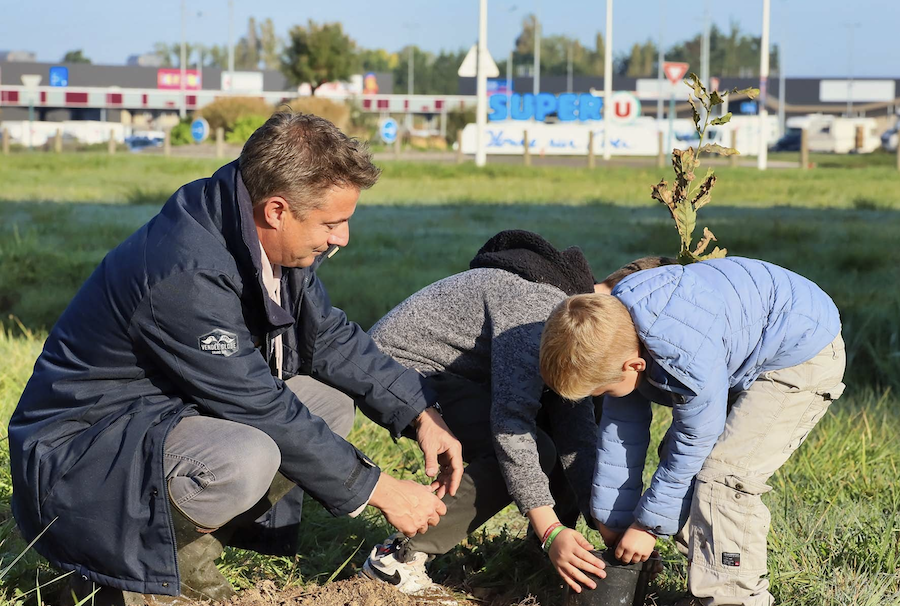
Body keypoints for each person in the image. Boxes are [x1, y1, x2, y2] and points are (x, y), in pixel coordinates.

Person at [7, 112, 462, 604]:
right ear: (276, 211)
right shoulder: (186, 273)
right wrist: (379, 489)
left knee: (329, 404)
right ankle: (111, 574)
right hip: (83, 454)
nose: (342, 238)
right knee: (250, 454)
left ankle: (187, 560)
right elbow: (259, 406)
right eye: (332, 223)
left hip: (158, 416)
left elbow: (326, 338)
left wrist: (420, 412)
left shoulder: (261, 238)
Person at [360, 231, 674, 595]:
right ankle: (396, 558)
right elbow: (511, 428)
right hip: (396, 371)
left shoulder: (578, 324)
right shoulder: (542, 317)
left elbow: (577, 435)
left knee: (566, 425)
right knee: (531, 449)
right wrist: (551, 531)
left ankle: (539, 559)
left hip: (455, 376)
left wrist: (609, 523)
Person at [539, 257, 846, 606]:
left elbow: (694, 439)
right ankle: (708, 580)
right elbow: (620, 435)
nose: (605, 399)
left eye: (603, 391)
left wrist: (648, 528)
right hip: (747, 349)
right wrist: (616, 521)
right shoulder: (618, 332)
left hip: (801, 350)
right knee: (686, 468)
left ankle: (732, 598)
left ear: (634, 366)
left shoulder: (681, 351)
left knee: (723, 475)